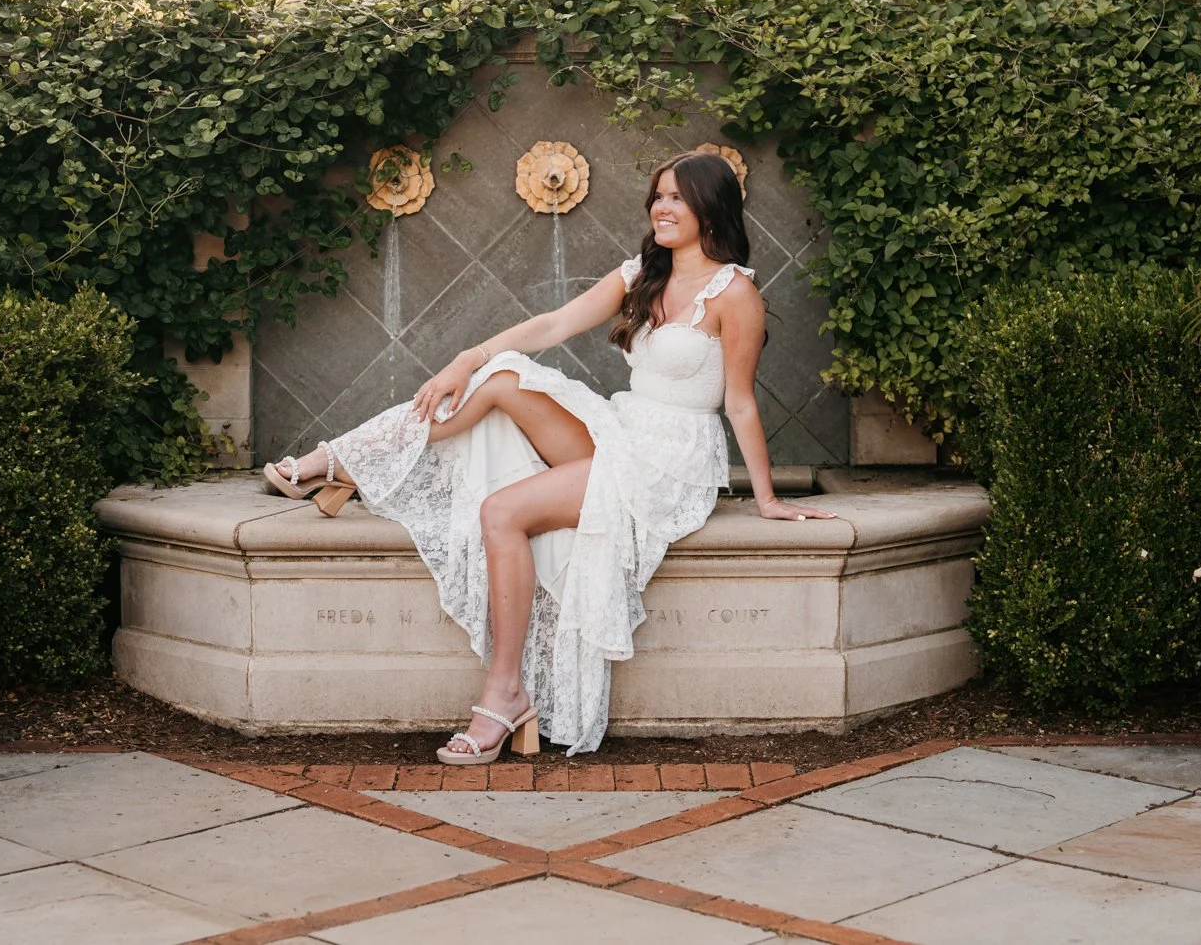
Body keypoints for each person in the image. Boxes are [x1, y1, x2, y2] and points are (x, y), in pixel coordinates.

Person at [262, 150, 836, 761]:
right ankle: (345, 458)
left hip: (669, 462)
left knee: (501, 511)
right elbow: (553, 324)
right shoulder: (642, 275)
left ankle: (506, 694)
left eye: (677, 198)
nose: (662, 208)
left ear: (711, 208)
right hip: (624, 429)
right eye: (659, 196)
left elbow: (740, 403)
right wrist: (464, 360)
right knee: (502, 376)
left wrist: (766, 499)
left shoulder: (734, 292)